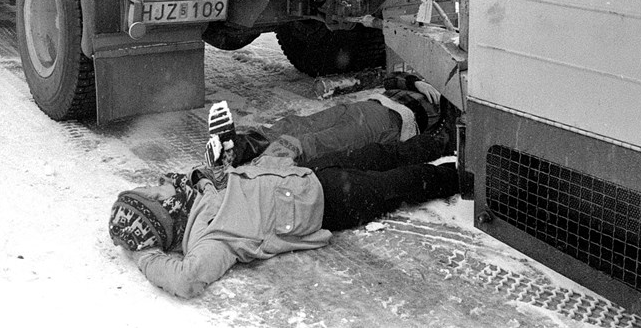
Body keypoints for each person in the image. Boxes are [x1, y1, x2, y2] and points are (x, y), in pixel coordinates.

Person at [110, 122, 458, 299]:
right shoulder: (210, 237)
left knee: (382, 154)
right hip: (326, 202)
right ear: (162, 212)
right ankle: (464, 178)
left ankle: (443, 141)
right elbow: (186, 280)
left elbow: (213, 170)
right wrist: (145, 255)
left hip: (308, 171)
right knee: (404, 182)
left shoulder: (194, 189)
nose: (157, 182)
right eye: (153, 191)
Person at [205, 75, 455, 170]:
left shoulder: (453, 110)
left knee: (319, 142)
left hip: (387, 124)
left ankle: (264, 167)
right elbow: (392, 78)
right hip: (367, 106)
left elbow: (442, 141)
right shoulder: (434, 78)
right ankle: (239, 145)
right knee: (299, 123)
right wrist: (415, 82)